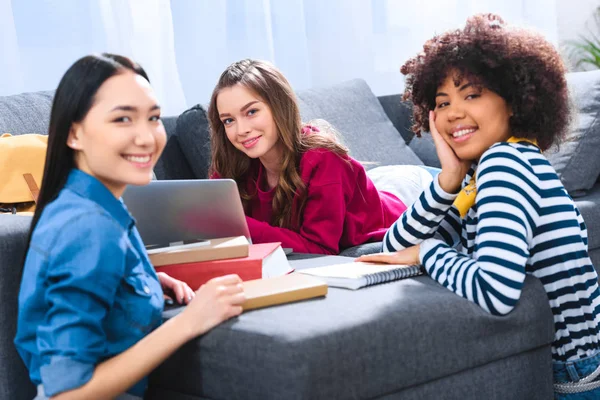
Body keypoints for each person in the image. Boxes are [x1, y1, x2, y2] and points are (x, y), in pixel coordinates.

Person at [358, 14, 600, 398]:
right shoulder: (486, 173)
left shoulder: (505, 165)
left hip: (576, 372)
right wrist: (447, 180)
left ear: (516, 101)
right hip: (575, 361)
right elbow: (394, 248)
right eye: (442, 102)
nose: (454, 112)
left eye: (472, 95)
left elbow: (495, 288)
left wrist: (428, 252)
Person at [14, 54, 245, 400]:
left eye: (153, 118)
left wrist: (143, 280)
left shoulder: (94, 205)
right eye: (123, 119)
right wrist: (190, 321)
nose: (147, 137)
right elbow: (66, 394)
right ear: (74, 134)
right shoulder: (88, 228)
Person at [207, 58, 435, 255]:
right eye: (229, 120)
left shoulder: (323, 159)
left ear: (279, 106)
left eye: (251, 112)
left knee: (458, 190)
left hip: (405, 193)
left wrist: (239, 227)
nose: (241, 130)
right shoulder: (234, 165)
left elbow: (320, 249)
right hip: (362, 187)